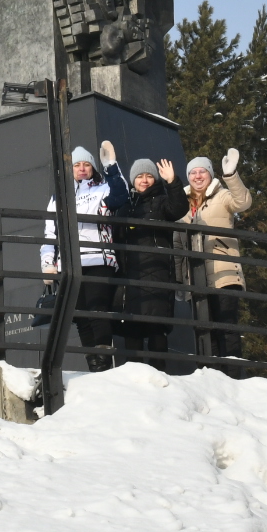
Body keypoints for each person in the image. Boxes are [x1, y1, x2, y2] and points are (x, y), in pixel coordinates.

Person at [99, 144, 187, 370]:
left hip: (157, 273)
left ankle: (160, 373)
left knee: (156, 327)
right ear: (133, 180)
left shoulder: (161, 201)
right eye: (140, 176)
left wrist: (172, 182)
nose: (144, 180)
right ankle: (135, 378)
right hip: (129, 275)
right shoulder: (125, 206)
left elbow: (179, 208)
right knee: (131, 327)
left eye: (149, 176)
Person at [41, 147, 117, 372]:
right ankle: (93, 364)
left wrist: (112, 167)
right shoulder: (59, 197)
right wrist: (48, 262)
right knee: (81, 315)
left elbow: (121, 197)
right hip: (70, 264)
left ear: (93, 167)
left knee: (96, 308)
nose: (82, 169)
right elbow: (50, 233)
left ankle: (104, 360)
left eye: (86, 164)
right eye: (76, 165)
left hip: (98, 259)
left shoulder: (104, 188)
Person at [181, 149, 252, 364]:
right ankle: (211, 377)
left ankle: (232, 376)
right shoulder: (183, 203)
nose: (198, 176)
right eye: (193, 172)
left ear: (211, 175)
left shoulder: (222, 196)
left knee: (226, 326)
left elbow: (243, 202)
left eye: (202, 171)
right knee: (204, 329)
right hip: (196, 275)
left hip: (224, 272)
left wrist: (231, 175)